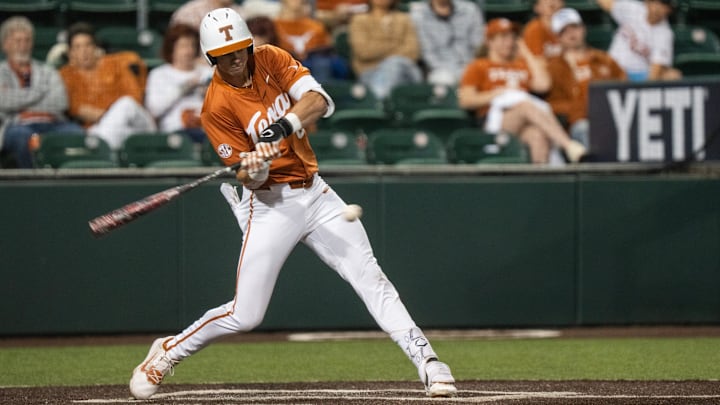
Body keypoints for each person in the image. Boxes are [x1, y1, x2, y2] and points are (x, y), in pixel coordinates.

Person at [128, 7, 457, 401]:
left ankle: (429, 362)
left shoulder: (270, 58)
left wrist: (281, 127)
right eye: (226, 54)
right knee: (246, 315)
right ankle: (167, 352)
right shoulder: (215, 107)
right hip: (269, 206)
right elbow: (249, 179)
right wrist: (255, 166)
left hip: (316, 193)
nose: (236, 60)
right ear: (211, 58)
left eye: (240, 49)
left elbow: (317, 99)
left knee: (371, 278)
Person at [458, 18, 587, 164]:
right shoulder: (479, 66)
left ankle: (542, 180)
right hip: (494, 121)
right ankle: (568, 145)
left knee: (537, 136)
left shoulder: (521, 65)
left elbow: (543, 85)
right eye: (503, 37)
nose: (509, 42)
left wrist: (526, 52)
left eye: (512, 37)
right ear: (490, 41)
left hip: (526, 122)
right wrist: (499, 93)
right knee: (524, 105)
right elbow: (466, 100)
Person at [0, 16, 84, 168]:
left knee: (77, 132)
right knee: (21, 136)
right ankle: (30, 183)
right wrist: (39, 93)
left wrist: (22, 104)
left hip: (52, 123)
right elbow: (3, 101)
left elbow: (60, 102)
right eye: (18, 41)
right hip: (17, 125)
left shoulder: (48, 71)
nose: (23, 46)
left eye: (27, 40)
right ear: (5, 44)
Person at [59, 22, 157, 150]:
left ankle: (100, 148)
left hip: (138, 124)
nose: (84, 52)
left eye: (88, 45)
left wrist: (108, 115)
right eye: (77, 47)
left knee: (125, 104)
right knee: (112, 134)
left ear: (96, 48)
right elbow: (76, 109)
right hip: (101, 130)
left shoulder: (115, 63)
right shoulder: (66, 74)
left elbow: (134, 100)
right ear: (70, 52)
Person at [546, 8, 627, 147]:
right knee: (585, 129)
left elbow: (625, 86)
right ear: (557, 38)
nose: (571, 34)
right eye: (564, 31)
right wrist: (581, 109)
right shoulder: (553, 67)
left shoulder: (603, 59)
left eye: (574, 27)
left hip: (611, 118)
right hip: (576, 125)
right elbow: (553, 105)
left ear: (583, 28)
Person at [145, 24, 213, 142]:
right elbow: (154, 109)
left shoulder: (207, 72)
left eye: (192, 45)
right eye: (183, 46)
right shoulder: (159, 74)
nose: (189, 51)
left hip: (207, 129)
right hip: (175, 132)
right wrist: (184, 87)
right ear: (172, 49)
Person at [347, 0, 423, 100]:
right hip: (371, 72)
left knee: (394, 64)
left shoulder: (405, 19)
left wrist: (384, 52)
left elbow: (413, 52)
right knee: (393, 68)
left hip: (405, 70)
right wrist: (396, 45)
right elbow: (364, 51)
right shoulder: (359, 20)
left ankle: (380, 105)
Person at [596, 0, 681, 81]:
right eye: (655, 2)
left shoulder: (665, 34)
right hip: (614, 68)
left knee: (672, 75)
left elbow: (656, 70)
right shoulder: (633, 9)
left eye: (664, 5)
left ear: (669, 10)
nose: (658, 8)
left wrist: (643, 89)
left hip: (639, 75)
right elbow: (606, 3)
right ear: (647, 2)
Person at [410, 0, 485, 86]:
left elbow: (478, 45)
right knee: (444, 79)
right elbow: (427, 54)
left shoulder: (469, 10)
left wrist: (471, 67)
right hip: (439, 70)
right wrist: (456, 71)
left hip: (470, 66)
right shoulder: (419, 15)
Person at [274, 0, 351, 82]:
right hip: (286, 65)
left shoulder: (316, 27)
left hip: (315, 64)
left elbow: (327, 49)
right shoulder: (273, 26)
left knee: (322, 63)